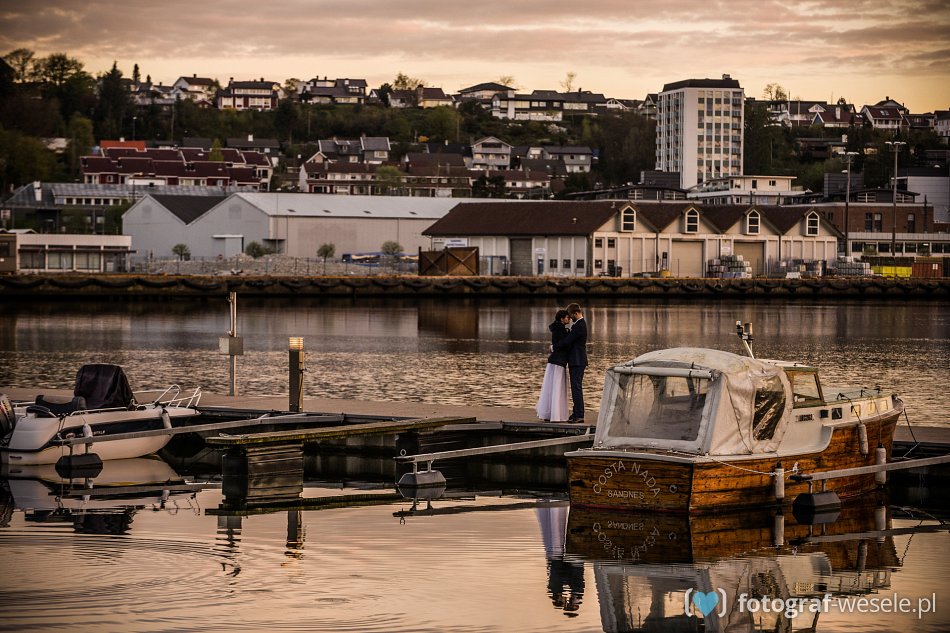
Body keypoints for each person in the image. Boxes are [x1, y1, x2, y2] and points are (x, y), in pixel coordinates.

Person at [536, 309, 571, 422]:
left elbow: (557, 344)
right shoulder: (561, 330)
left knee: (551, 387)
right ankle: (556, 414)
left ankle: (550, 412)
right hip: (559, 361)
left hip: (554, 360)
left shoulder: (557, 328)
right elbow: (563, 344)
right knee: (557, 387)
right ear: (562, 319)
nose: (569, 319)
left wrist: (553, 347)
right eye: (567, 317)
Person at [555, 303, 588, 423]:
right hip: (577, 360)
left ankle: (579, 415)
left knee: (576, 388)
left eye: (570, 315)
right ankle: (576, 413)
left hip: (578, 361)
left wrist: (554, 347)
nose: (570, 318)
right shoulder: (579, 324)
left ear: (576, 313)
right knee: (575, 388)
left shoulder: (579, 325)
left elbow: (568, 341)